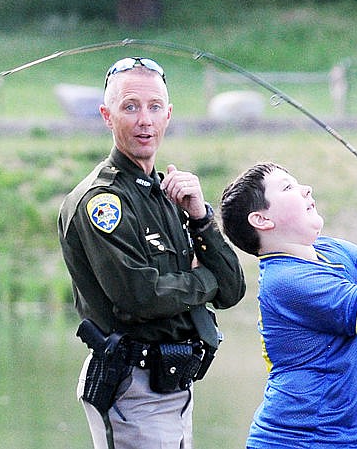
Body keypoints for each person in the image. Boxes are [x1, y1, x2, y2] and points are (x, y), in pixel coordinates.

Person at [57, 57, 246, 449]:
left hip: (175, 386)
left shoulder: (169, 193)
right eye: (130, 107)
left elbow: (232, 290)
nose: (145, 120)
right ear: (107, 116)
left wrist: (199, 215)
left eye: (154, 107)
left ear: (168, 115)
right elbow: (140, 296)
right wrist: (204, 278)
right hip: (133, 389)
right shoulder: (103, 202)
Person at [219, 162, 357, 449]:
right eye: (288, 187)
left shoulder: (331, 249)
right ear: (261, 220)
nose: (306, 189)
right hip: (301, 441)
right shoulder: (289, 281)